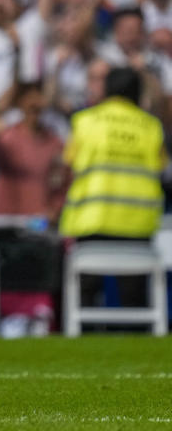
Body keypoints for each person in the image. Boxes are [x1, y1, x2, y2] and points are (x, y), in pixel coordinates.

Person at [59, 67, 166, 310]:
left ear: (107, 89)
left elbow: (68, 166)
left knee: (84, 293)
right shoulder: (151, 127)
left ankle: (82, 340)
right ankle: (135, 340)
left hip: (91, 219)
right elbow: (161, 167)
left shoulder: (85, 121)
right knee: (133, 297)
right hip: (137, 223)